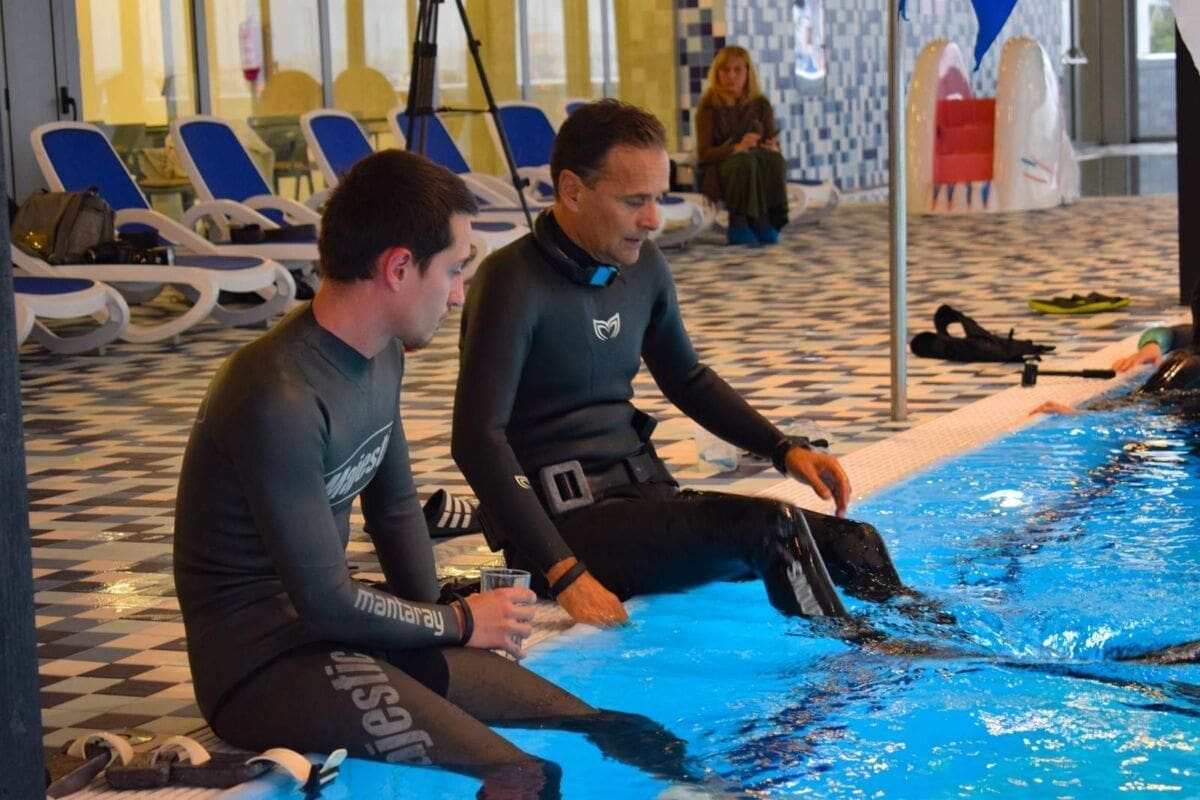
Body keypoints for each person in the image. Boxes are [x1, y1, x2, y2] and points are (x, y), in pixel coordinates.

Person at [173, 150, 703, 799]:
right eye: (453, 270)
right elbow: (328, 601)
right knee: (524, 776)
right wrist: (460, 623)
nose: (457, 295)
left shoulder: (381, 355)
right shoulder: (276, 396)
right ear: (398, 268)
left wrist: (443, 631)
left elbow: (396, 511)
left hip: (339, 630)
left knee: (609, 726)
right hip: (260, 663)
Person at [452, 100, 915, 631]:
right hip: (562, 526)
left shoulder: (642, 265)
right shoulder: (511, 282)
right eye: (634, 202)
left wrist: (783, 449)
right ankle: (854, 661)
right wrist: (565, 572)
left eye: (657, 198)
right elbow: (477, 440)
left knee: (857, 542)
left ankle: (935, 646)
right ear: (572, 191)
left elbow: (687, 379)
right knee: (772, 528)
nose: (653, 220)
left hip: (644, 498)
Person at [695, 45, 790, 246]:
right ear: (717, 73)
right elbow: (704, 154)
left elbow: (771, 138)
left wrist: (772, 147)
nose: (731, 76)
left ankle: (766, 219)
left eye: (737, 70)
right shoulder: (709, 107)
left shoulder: (761, 104)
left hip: (755, 159)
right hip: (720, 167)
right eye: (725, 70)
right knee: (744, 162)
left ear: (748, 72)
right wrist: (736, 148)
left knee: (774, 160)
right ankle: (739, 222)